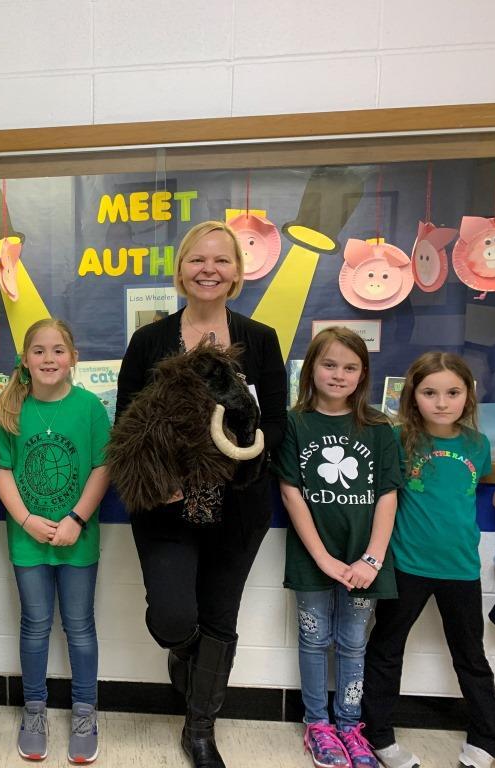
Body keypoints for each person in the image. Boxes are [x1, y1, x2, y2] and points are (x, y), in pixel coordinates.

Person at [115, 220, 287, 768]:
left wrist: (243, 473)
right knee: (171, 618)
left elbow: (276, 426)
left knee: (220, 615)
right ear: (181, 269)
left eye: (221, 261)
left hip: (238, 507)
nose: (209, 270)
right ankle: (186, 658)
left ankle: (201, 729)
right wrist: (155, 478)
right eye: (197, 260)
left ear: (238, 272)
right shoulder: (149, 341)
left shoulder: (260, 340)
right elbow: (125, 425)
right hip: (165, 506)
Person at [362, 352, 495, 768]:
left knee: (471, 654)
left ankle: (487, 735)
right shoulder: (398, 439)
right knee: (386, 648)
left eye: (452, 392)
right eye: (430, 393)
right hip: (406, 566)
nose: (442, 402)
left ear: (468, 396)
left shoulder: (477, 446)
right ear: (413, 396)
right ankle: (379, 734)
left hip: (461, 569)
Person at [274, 327, 400, 768]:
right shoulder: (294, 423)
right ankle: (318, 725)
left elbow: (388, 494)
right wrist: (323, 558)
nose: (339, 374)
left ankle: (350, 726)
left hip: (366, 562)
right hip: (314, 560)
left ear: (363, 374)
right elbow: (291, 492)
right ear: (311, 369)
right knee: (313, 641)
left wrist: (371, 558)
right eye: (329, 364)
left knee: (352, 644)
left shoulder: (380, 428)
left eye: (350, 367)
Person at [0, 319, 111, 764]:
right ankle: (35, 709)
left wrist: (76, 518)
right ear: (24, 359)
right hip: (28, 540)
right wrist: (24, 519)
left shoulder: (90, 408)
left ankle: (84, 711)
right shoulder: (8, 411)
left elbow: (103, 467)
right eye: (38, 351)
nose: (48, 359)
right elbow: (1, 469)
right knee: (35, 625)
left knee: (79, 627)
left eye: (58, 350)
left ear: (73, 357)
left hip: (77, 536)